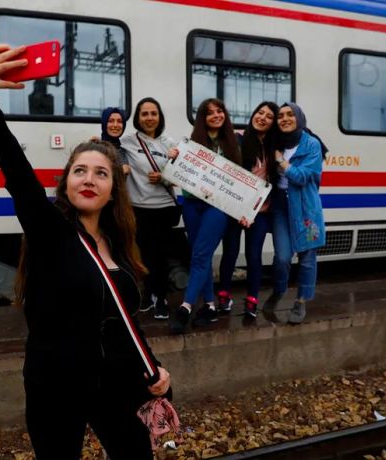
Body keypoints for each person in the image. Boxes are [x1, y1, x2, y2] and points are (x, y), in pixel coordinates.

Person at [0, 44, 171, 459]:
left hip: (115, 380)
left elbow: (123, 318)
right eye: (79, 170)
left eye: (101, 173)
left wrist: (154, 371)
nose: (89, 178)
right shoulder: (51, 233)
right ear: (65, 183)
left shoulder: (118, 245)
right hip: (56, 384)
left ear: (114, 189)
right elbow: (17, 173)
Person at [168, 98, 240, 332]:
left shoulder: (232, 143)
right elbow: (181, 173)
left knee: (199, 254)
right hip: (191, 204)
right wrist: (175, 157)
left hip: (217, 207)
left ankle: (186, 307)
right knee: (202, 255)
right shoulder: (191, 144)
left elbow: (238, 181)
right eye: (210, 113)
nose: (216, 115)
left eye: (220, 111)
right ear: (203, 118)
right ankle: (209, 306)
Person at [262, 102, 327, 324]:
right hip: (281, 206)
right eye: (281, 116)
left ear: (299, 117)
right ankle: (279, 290)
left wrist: (282, 162)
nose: (285, 119)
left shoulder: (312, 144)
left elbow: (302, 177)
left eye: (290, 114)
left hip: (306, 206)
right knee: (281, 257)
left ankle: (301, 301)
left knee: (307, 258)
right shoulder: (275, 142)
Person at [217, 102, 279, 319]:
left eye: (269, 116)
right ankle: (223, 296)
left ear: (274, 122)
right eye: (260, 112)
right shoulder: (238, 139)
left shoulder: (274, 147)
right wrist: (241, 210)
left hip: (260, 212)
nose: (262, 117)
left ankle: (252, 300)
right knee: (230, 253)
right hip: (235, 209)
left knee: (254, 256)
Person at [120, 97, 180, 320]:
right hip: (139, 208)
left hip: (164, 207)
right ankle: (147, 295)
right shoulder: (128, 141)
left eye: (153, 113)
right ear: (137, 118)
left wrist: (165, 177)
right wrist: (96, 140)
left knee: (162, 256)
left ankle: (162, 298)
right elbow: (110, 146)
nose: (149, 118)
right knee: (144, 255)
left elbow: (182, 177)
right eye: (144, 114)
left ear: (159, 117)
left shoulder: (170, 143)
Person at [100, 107, 130, 175]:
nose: (115, 125)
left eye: (119, 121)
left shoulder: (121, 150)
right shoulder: (96, 148)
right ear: (104, 124)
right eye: (110, 121)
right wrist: (120, 170)